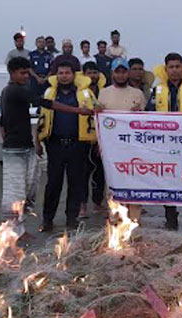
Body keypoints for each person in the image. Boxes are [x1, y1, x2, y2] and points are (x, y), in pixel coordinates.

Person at [0, 57, 86, 219]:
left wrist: (32, 142)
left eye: (27, 73)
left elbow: (2, 123)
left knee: (29, 188)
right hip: (16, 149)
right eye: (22, 73)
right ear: (11, 73)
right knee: (15, 190)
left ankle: (21, 226)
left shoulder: (14, 90)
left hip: (27, 146)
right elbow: (46, 104)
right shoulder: (14, 90)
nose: (26, 76)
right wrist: (77, 111)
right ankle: (15, 228)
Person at [145, 52, 182, 231]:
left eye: (178, 66)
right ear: (166, 69)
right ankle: (170, 218)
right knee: (168, 181)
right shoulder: (157, 90)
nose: (174, 70)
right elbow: (149, 112)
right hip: (165, 145)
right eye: (171, 67)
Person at [38, 61, 98, 232]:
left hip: (78, 144)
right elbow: (41, 118)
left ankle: (71, 219)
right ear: (56, 75)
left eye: (67, 73)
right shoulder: (49, 93)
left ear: (74, 75)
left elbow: (97, 112)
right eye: (61, 73)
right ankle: (47, 219)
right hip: (55, 144)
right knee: (53, 184)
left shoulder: (86, 93)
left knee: (76, 183)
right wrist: (37, 142)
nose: (64, 76)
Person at [98, 58, 148, 221]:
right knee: (113, 184)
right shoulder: (104, 93)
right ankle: (115, 220)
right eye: (117, 71)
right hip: (112, 149)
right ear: (112, 73)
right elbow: (100, 122)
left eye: (123, 71)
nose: (120, 75)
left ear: (128, 73)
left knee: (134, 183)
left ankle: (134, 221)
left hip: (133, 148)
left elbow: (145, 121)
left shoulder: (138, 94)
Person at [79, 62, 108, 217]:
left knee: (100, 173)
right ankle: (82, 205)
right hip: (82, 139)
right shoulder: (78, 92)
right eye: (89, 73)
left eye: (95, 72)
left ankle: (98, 202)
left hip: (100, 139)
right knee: (82, 174)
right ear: (84, 75)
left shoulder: (104, 92)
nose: (92, 76)